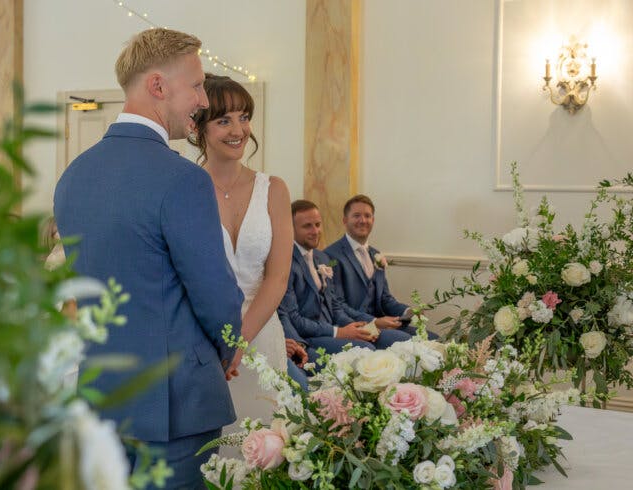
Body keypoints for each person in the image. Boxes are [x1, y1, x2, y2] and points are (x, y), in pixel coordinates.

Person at [53, 28, 244, 489]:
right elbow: (216, 296)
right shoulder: (182, 179)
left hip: (102, 396)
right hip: (176, 402)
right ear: (158, 86)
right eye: (196, 85)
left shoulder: (73, 177)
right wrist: (225, 347)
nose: (203, 99)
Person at [188, 73, 304, 419]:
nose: (238, 130)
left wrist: (238, 344)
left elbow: (277, 278)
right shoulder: (185, 189)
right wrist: (221, 343)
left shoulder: (274, 189)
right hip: (203, 336)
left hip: (262, 334)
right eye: (224, 120)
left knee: (264, 437)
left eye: (244, 117)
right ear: (199, 128)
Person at [277, 200, 411, 356]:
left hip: (336, 327)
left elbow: (334, 305)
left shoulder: (322, 258)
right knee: (366, 351)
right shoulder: (285, 263)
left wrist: (357, 327)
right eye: (307, 226)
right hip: (310, 337)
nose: (315, 231)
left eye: (318, 225)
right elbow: (295, 319)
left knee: (403, 341)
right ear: (290, 229)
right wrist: (338, 332)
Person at [324, 194, 438, 340]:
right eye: (356, 215)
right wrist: (374, 322)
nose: (363, 220)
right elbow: (338, 304)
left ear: (373, 220)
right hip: (356, 327)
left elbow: (385, 299)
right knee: (408, 342)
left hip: (382, 324)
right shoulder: (330, 255)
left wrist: (408, 311)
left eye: (367, 216)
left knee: (434, 338)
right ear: (345, 220)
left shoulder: (376, 254)